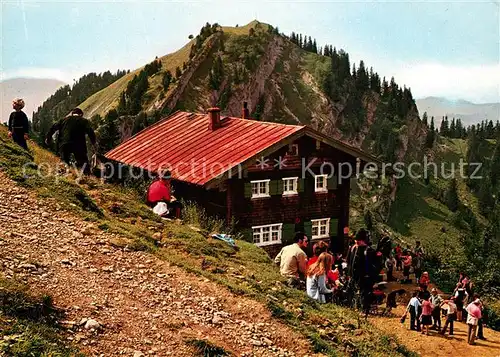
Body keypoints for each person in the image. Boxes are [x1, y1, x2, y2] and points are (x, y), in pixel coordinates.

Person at [46, 108, 96, 173]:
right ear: (81, 114)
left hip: (64, 144)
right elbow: (90, 132)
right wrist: (93, 143)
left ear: (72, 114)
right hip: (78, 145)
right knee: (83, 162)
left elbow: (53, 128)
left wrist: (48, 138)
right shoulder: (83, 121)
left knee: (64, 162)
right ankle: (87, 176)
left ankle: (65, 176)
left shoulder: (63, 120)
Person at [347, 229, 378, 316]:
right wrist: (349, 274)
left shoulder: (370, 251)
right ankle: (352, 307)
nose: (356, 241)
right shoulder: (352, 248)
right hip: (353, 276)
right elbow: (349, 261)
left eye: (358, 240)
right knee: (352, 292)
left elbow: (375, 266)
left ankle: (364, 310)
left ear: (363, 240)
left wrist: (372, 278)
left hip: (365, 277)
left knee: (365, 294)